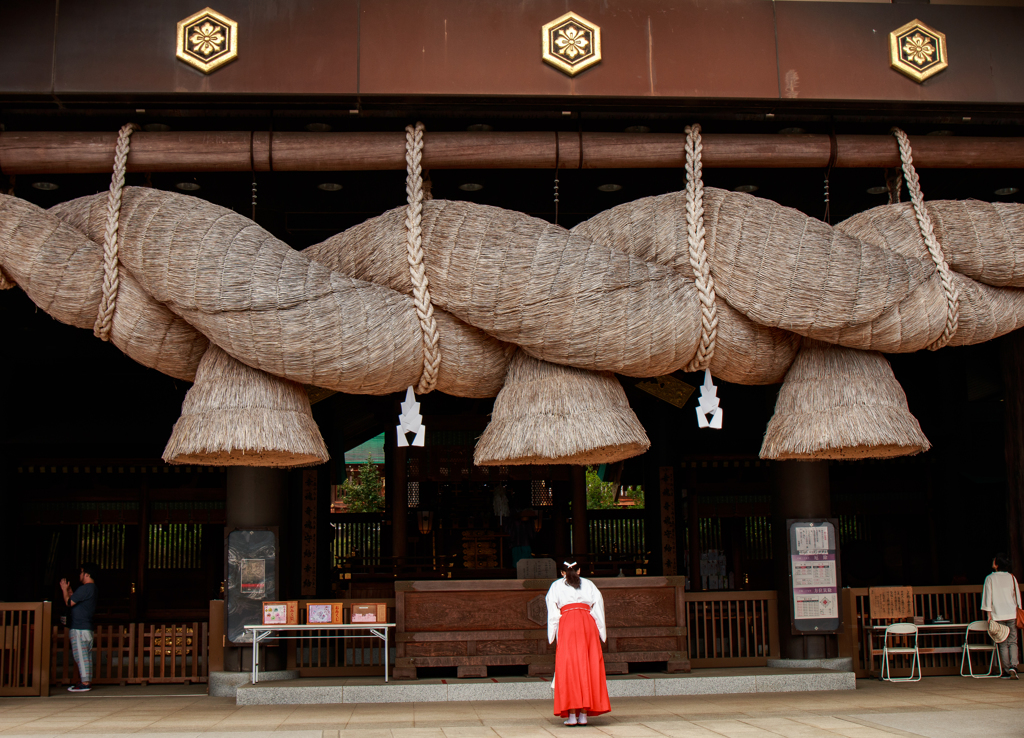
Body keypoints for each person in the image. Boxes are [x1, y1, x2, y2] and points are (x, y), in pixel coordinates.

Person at [545, 561, 611, 726]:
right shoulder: (588, 584)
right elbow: (598, 607)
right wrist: (601, 631)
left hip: (567, 622)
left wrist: (552, 633)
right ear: (579, 570)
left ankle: (572, 716)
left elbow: (553, 611)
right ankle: (583, 715)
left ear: (562, 573)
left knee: (569, 667)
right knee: (587, 665)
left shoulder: (556, 586)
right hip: (587, 622)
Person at [59, 563, 99, 692]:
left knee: (81, 656)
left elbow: (68, 602)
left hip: (79, 628)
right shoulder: (91, 589)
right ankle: (85, 680)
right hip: (86, 627)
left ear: (87, 574)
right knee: (85, 655)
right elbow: (75, 599)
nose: (80, 575)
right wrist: (70, 591)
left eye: (81, 572)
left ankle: (85, 682)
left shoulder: (85, 588)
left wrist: (64, 589)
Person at [981, 553, 1020, 679]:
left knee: (1002, 642)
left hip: (998, 614)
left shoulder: (990, 578)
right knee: (1013, 641)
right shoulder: (1011, 577)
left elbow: (988, 598)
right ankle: (1014, 666)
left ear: (997, 564)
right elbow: (1017, 596)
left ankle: (1007, 669)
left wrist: (989, 615)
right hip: (1012, 613)